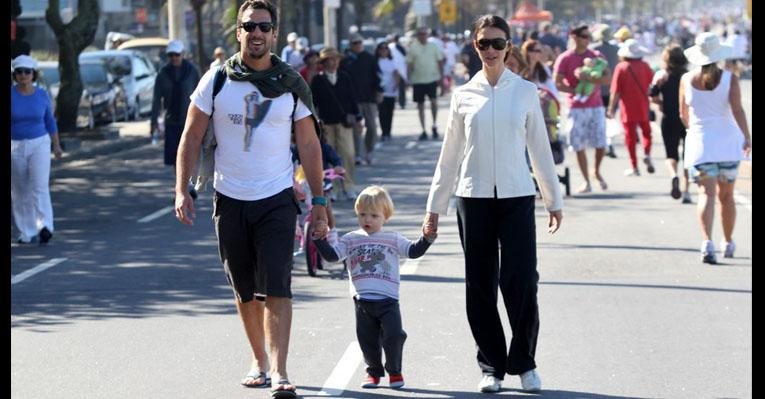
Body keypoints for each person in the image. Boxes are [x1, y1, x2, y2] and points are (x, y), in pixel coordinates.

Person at [173, 1, 328, 398]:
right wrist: (181, 188)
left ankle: (280, 371)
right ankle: (258, 360)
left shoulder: (292, 83)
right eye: (249, 26)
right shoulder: (216, 81)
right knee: (243, 288)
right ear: (238, 33)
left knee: (277, 283)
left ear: (274, 33)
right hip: (229, 198)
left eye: (264, 26)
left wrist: (320, 200)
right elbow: (191, 136)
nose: (256, 33)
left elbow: (309, 144)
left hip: (276, 197)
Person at [422, 15, 563, 394]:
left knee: (521, 281)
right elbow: (449, 155)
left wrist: (553, 200)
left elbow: (539, 149)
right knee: (479, 285)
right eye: (484, 43)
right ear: (475, 46)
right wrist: (434, 206)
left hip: (517, 196)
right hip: (474, 197)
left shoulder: (525, 91)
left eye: (498, 43)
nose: (490, 50)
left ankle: (524, 363)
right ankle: (491, 367)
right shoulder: (463, 94)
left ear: (509, 47)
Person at [313, 185, 436, 389]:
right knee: (367, 341)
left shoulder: (393, 239)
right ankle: (373, 373)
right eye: (362, 214)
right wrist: (319, 239)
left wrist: (427, 238)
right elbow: (332, 255)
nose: (367, 220)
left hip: (388, 300)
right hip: (362, 301)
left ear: (385, 216)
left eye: (374, 215)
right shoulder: (351, 239)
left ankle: (395, 371)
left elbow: (413, 251)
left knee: (394, 335)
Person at [679, 32, 751, 264]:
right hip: (728, 145)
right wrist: (747, 136)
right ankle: (728, 241)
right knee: (727, 197)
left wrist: (698, 131)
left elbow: (683, 114)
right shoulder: (730, 79)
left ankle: (707, 242)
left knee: (706, 194)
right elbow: (738, 110)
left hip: (701, 146)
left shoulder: (687, 79)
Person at [11, 54, 63, 245]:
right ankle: (26, 230)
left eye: (27, 72)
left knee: (40, 186)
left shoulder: (41, 94)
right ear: (15, 75)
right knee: (20, 190)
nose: (23, 75)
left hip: (39, 143)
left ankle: (45, 227)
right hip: (15, 145)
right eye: (19, 72)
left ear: (33, 74)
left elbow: (50, 121)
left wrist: (56, 144)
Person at [553, 24, 612, 194]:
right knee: (578, 145)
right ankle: (586, 180)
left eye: (589, 36)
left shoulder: (596, 55)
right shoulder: (565, 58)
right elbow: (558, 83)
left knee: (601, 143)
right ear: (575, 37)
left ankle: (596, 171)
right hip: (576, 107)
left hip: (595, 106)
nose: (588, 39)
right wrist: (575, 90)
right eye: (585, 36)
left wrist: (591, 80)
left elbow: (608, 78)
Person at [151, 39, 201, 199]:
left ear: (183, 54)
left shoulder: (192, 71)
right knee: (175, 156)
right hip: (172, 120)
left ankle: (189, 184)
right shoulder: (163, 74)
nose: (174, 58)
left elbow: (202, 96)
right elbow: (156, 99)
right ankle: (182, 186)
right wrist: (153, 122)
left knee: (190, 152)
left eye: (176, 55)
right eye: (171, 55)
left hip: (190, 120)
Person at [310, 47, 361, 200]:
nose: (334, 62)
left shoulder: (345, 77)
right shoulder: (318, 80)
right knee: (330, 157)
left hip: (344, 123)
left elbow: (353, 100)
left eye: (336, 59)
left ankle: (349, 186)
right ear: (324, 62)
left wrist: (358, 119)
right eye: (330, 59)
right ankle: (333, 188)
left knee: (349, 155)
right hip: (326, 126)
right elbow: (313, 104)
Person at [606, 39, 654, 177]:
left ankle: (634, 166)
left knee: (630, 138)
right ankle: (647, 153)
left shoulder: (621, 67)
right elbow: (652, 85)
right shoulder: (645, 65)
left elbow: (615, 91)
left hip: (627, 108)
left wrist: (610, 108)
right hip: (643, 105)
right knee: (646, 133)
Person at [650, 45, 692, 203]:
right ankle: (686, 190)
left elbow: (652, 95)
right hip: (687, 119)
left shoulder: (662, 75)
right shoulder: (688, 76)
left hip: (668, 117)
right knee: (688, 155)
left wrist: (661, 103)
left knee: (671, 154)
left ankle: (674, 175)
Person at [341, 33, 382, 165]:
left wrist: (379, 91)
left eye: (359, 42)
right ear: (350, 45)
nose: (357, 45)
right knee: (354, 128)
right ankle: (357, 154)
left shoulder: (369, 58)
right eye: (355, 43)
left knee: (371, 127)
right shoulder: (345, 60)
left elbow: (378, 76)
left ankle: (369, 151)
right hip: (352, 100)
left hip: (369, 98)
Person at [407, 26, 445, 140]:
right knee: (420, 105)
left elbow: (440, 61)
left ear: (427, 35)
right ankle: (423, 129)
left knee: (433, 102)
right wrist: (408, 79)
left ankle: (434, 124)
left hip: (432, 79)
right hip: (418, 80)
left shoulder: (433, 46)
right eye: (421, 34)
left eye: (425, 34)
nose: (423, 36)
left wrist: (441, 78)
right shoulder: (413, 47)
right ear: (418, 35)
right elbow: (409, 64)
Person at [590, 25, 620, 159]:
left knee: (600, 119)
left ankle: (603, 143)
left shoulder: (593, 50)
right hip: (613, 90)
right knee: (611, 118)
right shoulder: (617, 50)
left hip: (598, 89)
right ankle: (609, 143)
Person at [375, 42, 402, 142]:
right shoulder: (376, 61)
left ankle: (388, 131)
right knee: (382, 112)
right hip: (380, 91)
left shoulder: (392, 61)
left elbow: (397, 73)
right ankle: (384, 132)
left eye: (385, 49)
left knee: (390, 112)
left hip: (391, 91)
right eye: (381, 49)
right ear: (378, 51)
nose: (383, 51)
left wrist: (396, 84)